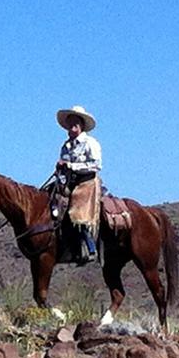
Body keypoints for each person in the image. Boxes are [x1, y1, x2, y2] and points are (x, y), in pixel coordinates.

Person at [54, 105, 102, 263]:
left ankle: (90, 248)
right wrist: (60, 172)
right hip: (69, 183)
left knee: (77, 214)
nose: (71, 127)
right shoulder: (65, 146)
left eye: (74, 124)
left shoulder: (90, 143)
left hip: (87, 182)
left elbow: (96, 165)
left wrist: (71, 166)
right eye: (69, 124)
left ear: (81, 126)